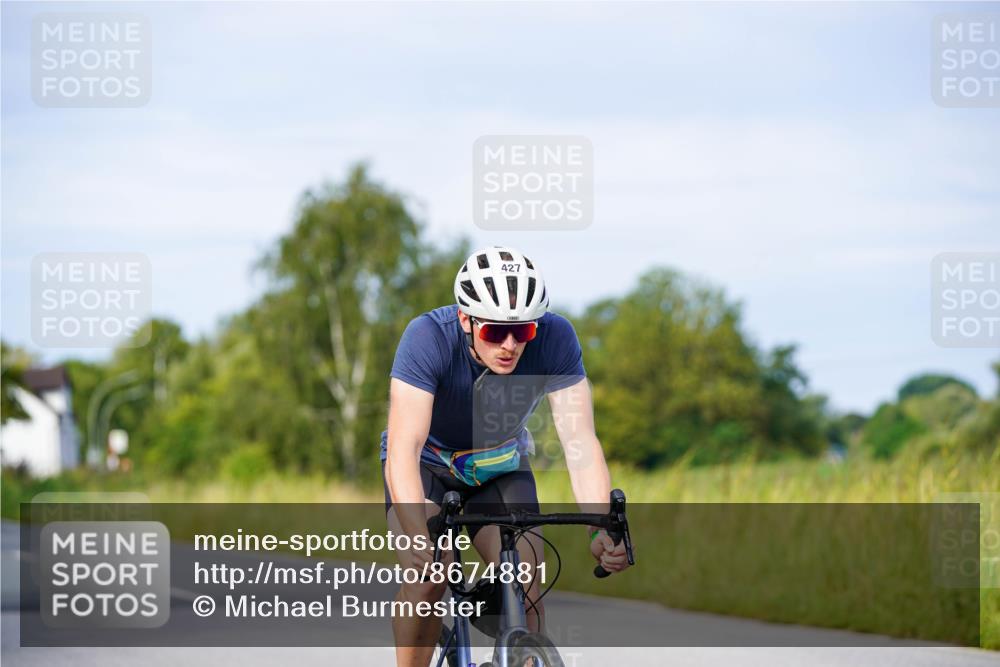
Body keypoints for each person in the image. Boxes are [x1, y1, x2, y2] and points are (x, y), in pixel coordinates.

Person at [381, 245, 629, 667]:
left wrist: (597, 528)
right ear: (465, 319)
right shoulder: (427, 337)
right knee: (428, 579)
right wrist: (417, 534)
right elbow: (403, 449)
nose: (511, 345)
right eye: (495, 332)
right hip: (427, 467)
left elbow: (579, 442)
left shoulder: (557, 337)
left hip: (498, 468)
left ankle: (515, 645)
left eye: (524, 332)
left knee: (527, 585)